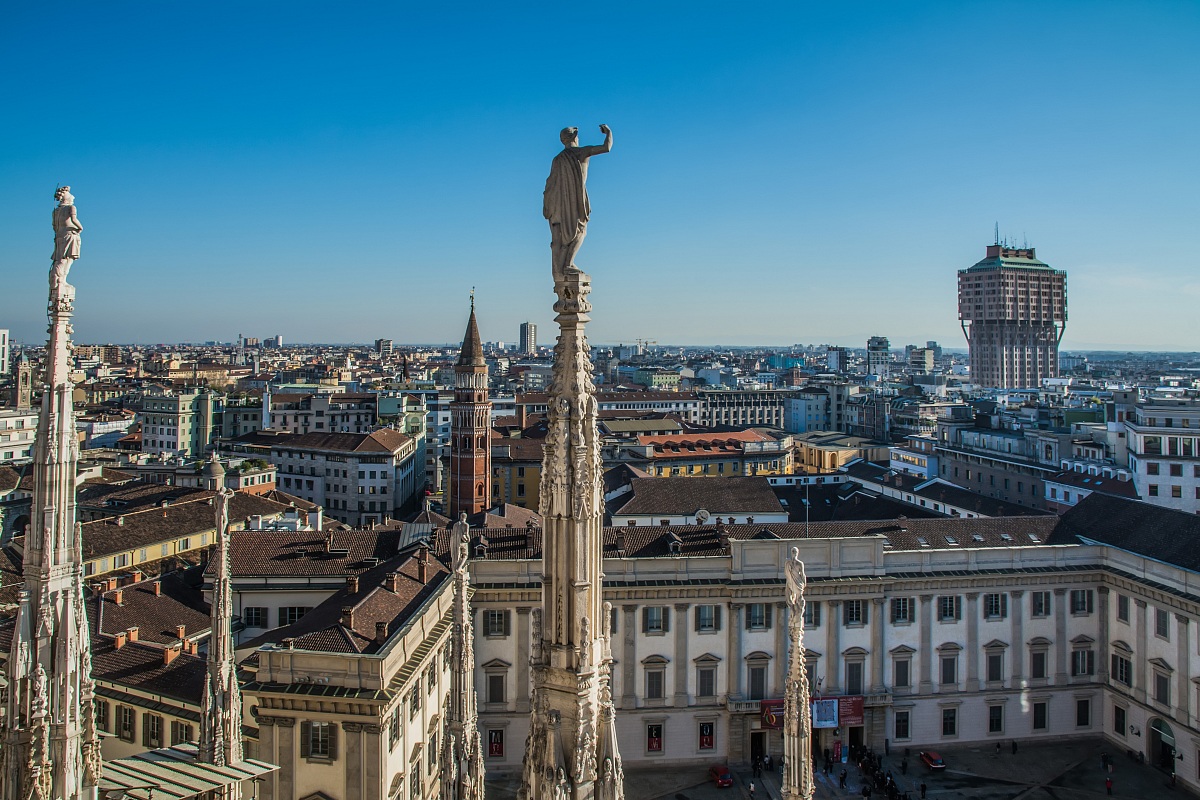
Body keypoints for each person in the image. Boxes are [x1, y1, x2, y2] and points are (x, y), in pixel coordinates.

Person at [544, 124, 613, 280]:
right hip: (576, 200)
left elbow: (550, 183)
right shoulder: (581, 152)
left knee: (561, 238)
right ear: (575, 137)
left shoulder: (557, 159)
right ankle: (568, 264)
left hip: (560, 203)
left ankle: (563, 267)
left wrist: (548, 205)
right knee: (581, 230)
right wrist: (608, 132)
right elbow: (606, 147)